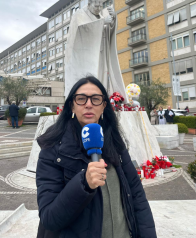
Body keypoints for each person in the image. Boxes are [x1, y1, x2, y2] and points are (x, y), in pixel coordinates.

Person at [36, 76, 156, 237]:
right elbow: (49, 218)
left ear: (104, 106)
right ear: (72, 106)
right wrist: (83, 184)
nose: (88, 104)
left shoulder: (114, 140)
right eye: (81, 99)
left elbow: (137, 197)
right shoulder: (53, 149)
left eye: (96, 99)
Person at [64, 0, 127, 102]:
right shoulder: (79, 14)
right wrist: (102, 22)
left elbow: (107, 31)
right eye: (96, 6)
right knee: (91, 78)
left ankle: (101, 99)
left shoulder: (100, 16)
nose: (98, 9)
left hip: (101, 53)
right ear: (89, 5)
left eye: (100, 6)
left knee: (102, 79)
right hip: (87, 57)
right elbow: (82, 30)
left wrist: (113, 19)